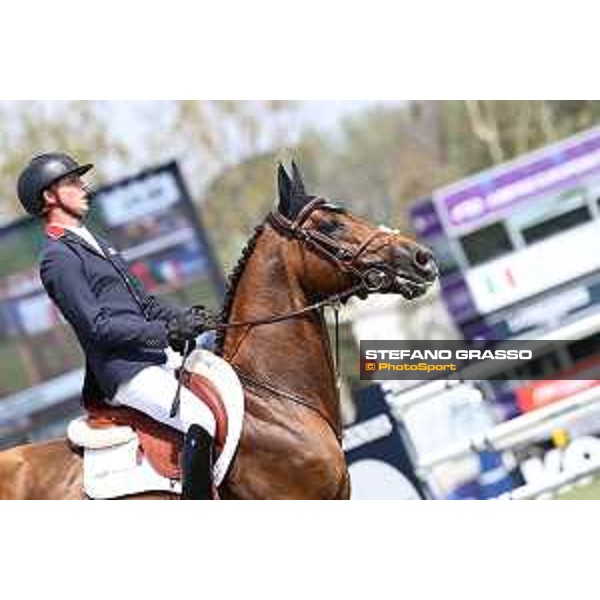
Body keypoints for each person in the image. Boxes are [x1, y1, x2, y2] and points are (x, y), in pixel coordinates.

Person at [17, 153, 219, 499]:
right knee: (201, 417)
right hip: (124, 371)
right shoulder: (57, 258)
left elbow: (146, 304)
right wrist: (166, 333)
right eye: (72, 182)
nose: (84, 187)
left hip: (153, 356)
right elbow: (96, 326)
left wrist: (187, 318)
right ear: (49, 196)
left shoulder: (98, 242)